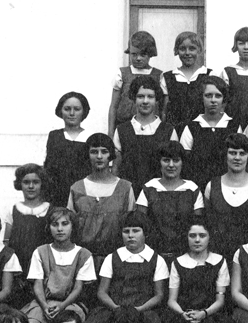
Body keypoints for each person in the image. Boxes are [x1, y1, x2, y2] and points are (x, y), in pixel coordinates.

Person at [86, 211, 168, 323]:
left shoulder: (156, 260)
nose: (130, 235)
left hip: (143, 311)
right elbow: (102, 292)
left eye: (136, 231)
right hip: (113, 309)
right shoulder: (112, 257)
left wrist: (139, 309)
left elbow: (159, 295)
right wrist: (116, 308)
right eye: (126, 231)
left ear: (145, 233)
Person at [22, 207, 96, 323]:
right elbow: (37, 284)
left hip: (70, 304)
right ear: (49, 228)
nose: (60, 229)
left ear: (73, 227)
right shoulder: (41, 251)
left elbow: (78, 288)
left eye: (65, 224)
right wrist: (44, 306)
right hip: (42, 303)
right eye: (55, 225)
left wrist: (62, 306)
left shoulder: (83, 254)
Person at [68, 134, 137, 264]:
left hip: (116, 259)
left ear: (110, 155)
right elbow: (70, 226)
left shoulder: (125, 188)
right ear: (87, 155)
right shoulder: (77, 188)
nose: (99, 156)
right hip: (83, 259)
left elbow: (131, 224)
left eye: (104, 152)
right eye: (94, 152)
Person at [204, 134, 248, 260]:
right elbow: (207, 223)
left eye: (242, 153)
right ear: (225, 155)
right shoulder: (212, 186)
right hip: (218, 257)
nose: (237, 158)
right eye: (232, 153)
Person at [167, 219, 229, 323]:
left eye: (202, 235)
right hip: (183, 314)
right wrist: (184, 314)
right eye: (192, 236)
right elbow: (171, 300)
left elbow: (220, 300)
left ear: (210, 237)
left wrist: (204, 314)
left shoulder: (219, 261)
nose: (197, 240)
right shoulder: (178, 263)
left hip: (210, 315)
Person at [136, 141, 204, 261]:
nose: (171, 165)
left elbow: (197, 226)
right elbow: (140, 224)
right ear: (159, 162)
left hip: (186, 256)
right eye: (166, 160)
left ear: (182, 162)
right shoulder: (148, 188)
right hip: (154, 256)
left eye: (176, 160)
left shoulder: (192, 189)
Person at [113, 75, 177, 196]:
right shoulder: (122, 130)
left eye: (150, 97)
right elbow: (116, 167)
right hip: (129, 193)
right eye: (140, 96)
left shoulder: (168, 131)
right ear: (133, 98)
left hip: (160, 195)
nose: (145, 101)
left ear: (157, 99)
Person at [178, 76, 245, 189]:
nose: (213, 100)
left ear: (223, 99)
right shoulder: (191, 127)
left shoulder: (234, 126)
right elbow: (185, 163)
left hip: (228, 187)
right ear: (201, 97)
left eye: (218, 96)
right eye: (208, 95)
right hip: (198, 186)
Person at [108, 31, 162, 139]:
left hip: (151, 129)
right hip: (124, 126)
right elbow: (114, 106)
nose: (138, 58)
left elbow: (162, 107)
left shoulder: (158, 75)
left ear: (150, 54)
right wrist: (110, 133)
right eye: (134, 54)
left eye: (143, 54)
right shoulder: (122, 74)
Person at [4, 164, 51, 287]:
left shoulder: (51, 211)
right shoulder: (13, 210)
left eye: (35, 182)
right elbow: (6, 244)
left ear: (42, 184)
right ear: (20, 184)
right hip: (18, 269)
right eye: (26, 182)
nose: (31, 186)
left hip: (43, 270)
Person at [44, 92, 92, 207]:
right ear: (60, 111)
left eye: (76, 109)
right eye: (67, 109)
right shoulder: (54, 136)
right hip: (57, 196)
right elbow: (48, 168)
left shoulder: (91, 137)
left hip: (84, 196)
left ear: (83, 111)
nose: (72, 113)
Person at [161, 31, 212, 128]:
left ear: (199, 50)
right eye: (182, 49)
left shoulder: (209, 75)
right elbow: (164, 110)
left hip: (201, 130)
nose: (187, 53)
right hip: (175, 130)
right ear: (176, 51)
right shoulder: (168, 77)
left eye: (192, 48)